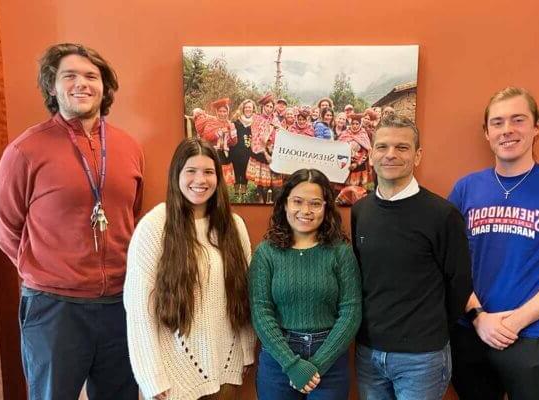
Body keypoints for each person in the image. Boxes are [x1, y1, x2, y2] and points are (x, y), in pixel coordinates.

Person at [0, 43, 143, 399]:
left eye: (91, 76)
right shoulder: (25, 150)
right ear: (52, 86)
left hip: (120, 305)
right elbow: (6, 227)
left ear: (104, 87)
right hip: (54, 308)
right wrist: (47, 271)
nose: (82, 84)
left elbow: (131, 215)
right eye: (69, 76)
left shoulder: (128, 147)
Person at [448, 87, 539, 400]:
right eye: (498, 122)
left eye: (518, 120)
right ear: (486, 132)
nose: (507, 130)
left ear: (537, 126)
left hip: (534, 337)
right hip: (471, 332)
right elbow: (450, 265)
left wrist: (513, 322)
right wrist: (479, 318)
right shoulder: (465, 189)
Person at [352, 114, 473, 400]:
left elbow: (460, 284)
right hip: (369, 353)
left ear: (417, 156)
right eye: (382, 147)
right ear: (370, 155)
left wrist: (426, 330)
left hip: (422, 358)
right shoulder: (361, 211)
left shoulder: (442, 215)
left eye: (402, 147)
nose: (390, 154)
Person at [124, 138, 256, 400]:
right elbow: (139, 308)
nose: (200, 180)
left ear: (218, 177)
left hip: (225, 369)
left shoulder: (234, 226)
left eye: (208, 172)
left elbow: (244, 294)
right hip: (171, 374)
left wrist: (246, 348)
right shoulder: (154, 226)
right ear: (177, 175)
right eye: (191, 171)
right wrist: (150, 376)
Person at [249, 169, 362, 400]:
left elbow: (351, 311)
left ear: (326, 207)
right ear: (284, 204)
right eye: (297, 202)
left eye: (315, 203)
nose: (306, 211)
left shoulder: (340, 252)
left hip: (330, 359)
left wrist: (318, 365)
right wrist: (291, 364)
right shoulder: (266, 253)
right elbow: (261, 312)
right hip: (278, 360)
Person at [192, 98, 237, 185]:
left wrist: (233, 133)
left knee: (223, 183)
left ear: (227, 112)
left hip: (224, 156)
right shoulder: (211, 122)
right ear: (217, 112)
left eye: (224, 111)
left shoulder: (229, 124)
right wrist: (219, 132)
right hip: (212, 154)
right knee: (211, 181)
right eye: (220, 111)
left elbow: (233, 143)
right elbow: (206, 137)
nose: (222, 114)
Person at [246, 93, 282, 203]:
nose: (269, 109)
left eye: (271, 107)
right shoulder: (256, 119)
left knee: (272, 181)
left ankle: (271, 202)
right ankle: (260, 201)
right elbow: (256, 137)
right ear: (263, 106)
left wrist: (277, 131)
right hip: (261, 153)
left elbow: (280, 134)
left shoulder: (275, 120)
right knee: (261, 182)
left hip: (273, 152)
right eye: (267, 106)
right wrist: (265, 152)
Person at [337, 114, 371, 188]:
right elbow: (338, 148)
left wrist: (356, 163)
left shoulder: (363, 134)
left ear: (360, 124)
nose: (355, 126)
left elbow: (366, 152)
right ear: (350, 124)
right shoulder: (344, 133)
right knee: (343, 190)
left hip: (358, 167)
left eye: (357, 124)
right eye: (353, 124)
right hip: (344, 165)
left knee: (356, 191)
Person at [230, 99, 255, 199]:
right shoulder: (237, 121)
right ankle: (236, 194)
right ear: (243, 108)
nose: (248, 109)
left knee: (245, 173)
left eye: (250, 107)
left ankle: (243, 195)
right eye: (246, 107)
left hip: (248, 152)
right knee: (237, 171)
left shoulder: (256, 122)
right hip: (236, 151)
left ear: (253, 109)